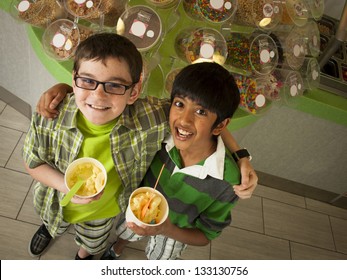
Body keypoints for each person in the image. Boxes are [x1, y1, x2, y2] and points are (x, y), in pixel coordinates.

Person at [31, 34, 257, 259]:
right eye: (88, 81)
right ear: (75, 80)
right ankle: (50, 229)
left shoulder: (150, 119)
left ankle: (85, 255)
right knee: (53, 221)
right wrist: (64, 89)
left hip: (104, 212)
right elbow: (32, 161)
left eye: (114, 85)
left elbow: (203, 116)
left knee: (92, 240)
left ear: (135, 91)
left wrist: (240, 155)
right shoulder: (51, 115)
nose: (98, 95)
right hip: (54, 201)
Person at [101, 62, 245, 260]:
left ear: (220, 125)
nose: (184, 120)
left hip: (174, 232)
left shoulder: (227, 181)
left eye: (201, 111)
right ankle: (118, 247)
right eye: (179, 104)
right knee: (125, 232)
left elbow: (206, 235)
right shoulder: (160, 132)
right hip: (135, 210)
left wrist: (167, 229)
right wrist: (64, 89)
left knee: (159, 259)